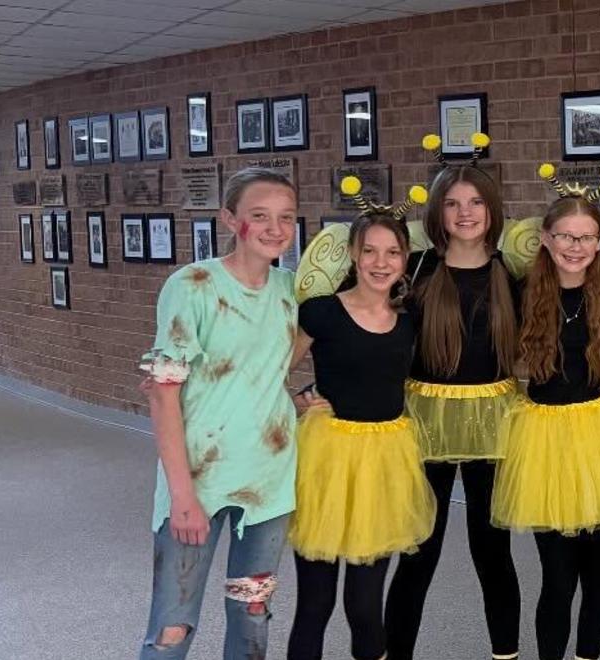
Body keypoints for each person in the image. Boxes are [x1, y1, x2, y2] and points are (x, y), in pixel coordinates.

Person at [136, 168, 301, 660]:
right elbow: (162, 395)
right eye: (260, 216)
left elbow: (273, 367)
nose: (275, 228)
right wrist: (182, 496)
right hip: (199, 479)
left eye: (286, 217)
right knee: (172, 626)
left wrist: (303, 400)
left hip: (268, 482)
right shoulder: (193, 286)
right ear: (230, 219)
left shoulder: (293, 290)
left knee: (252, 614)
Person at [494, 192, 600, 660]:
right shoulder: (524, 289)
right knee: (557, 576)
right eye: (566, 236)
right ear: (546, 237)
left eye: (586, 237)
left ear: (599, 240)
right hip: (543, 437)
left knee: (597, 570)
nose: (576, 246)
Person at [384, 159, 526, 660]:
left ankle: (505, 655)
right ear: (437, 213)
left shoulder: (512, 273)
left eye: (476, 202)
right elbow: (365, 329)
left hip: (493, 422)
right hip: (426, 422)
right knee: (419, 551)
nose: (465, 213)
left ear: (492, 208)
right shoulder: (416, 270)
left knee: (493, 552)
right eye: (452, 204)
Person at [285, 191, 436, 660]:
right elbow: (269, 373)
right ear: (353, 252)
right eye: (369, 250)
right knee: (316, 603)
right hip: (327, 457)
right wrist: (296, 400)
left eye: (392, 252)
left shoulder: (410, 321)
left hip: (385, 458)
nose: (380, 262)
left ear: (405, 259)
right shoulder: (321, 312)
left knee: (365, 606)